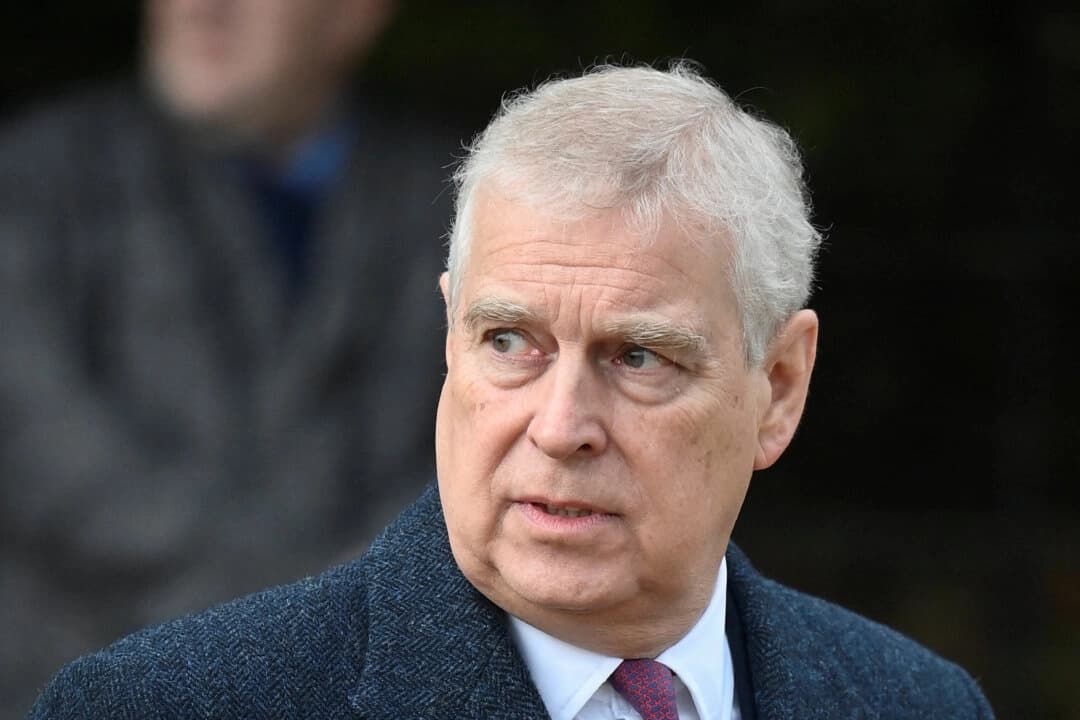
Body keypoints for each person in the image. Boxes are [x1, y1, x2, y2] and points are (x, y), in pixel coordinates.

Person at [28, 63, 995, 719]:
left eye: (639, 358)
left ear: (778, 389)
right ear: (449, 339)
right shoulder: (171, 704)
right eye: (509, 342)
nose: (561, 425)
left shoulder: (919, 702)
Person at [1, 0, 455, 715]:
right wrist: (307, 606)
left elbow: (487, 442)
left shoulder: (456, 201)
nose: (203, 8)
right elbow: (38, 444)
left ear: (354, 16)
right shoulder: (31, 178)